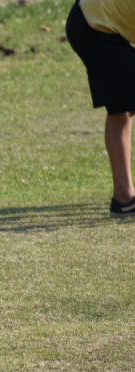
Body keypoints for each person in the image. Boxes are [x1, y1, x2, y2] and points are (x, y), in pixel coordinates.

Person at [65, 0, 135, 217]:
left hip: (94, 22)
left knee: (120, 107)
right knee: (122, 105)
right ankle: (124, 197)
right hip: (92, 26)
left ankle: (123, 199)